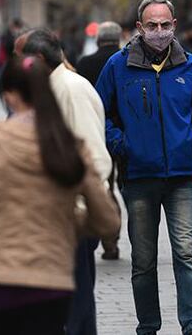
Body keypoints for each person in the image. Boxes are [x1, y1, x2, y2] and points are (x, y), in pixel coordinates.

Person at [0, 56, 119, 335]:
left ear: (8, 96)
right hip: (50, 284)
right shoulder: (69, 147)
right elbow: (108, 222)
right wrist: (70, 224)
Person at [95, 0, 192, 335]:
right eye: (152, 26)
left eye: (165, 25)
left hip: (183, 178)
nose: (159, 31)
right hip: (139, 177)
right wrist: (121, 144)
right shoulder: (118, 67)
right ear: (139, 28)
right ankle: (148, 325)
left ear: (174, 26)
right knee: (143, 261)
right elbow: (99, 112)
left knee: (186, 254)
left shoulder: (190, 66)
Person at [20, 28, 114, 335]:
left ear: (37, 59)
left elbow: (94, 157)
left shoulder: (71, 89)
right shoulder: (51, 88)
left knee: (76, 304)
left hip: (74, 213)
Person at [75, 21, 125, 261]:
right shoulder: (127, 60)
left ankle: (108, 240)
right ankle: (114, 235)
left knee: (104, 184)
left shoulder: (85, 63)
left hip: (95, 132)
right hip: (123, 133)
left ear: (98, 40)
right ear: (118, 39)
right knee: (122, 186)